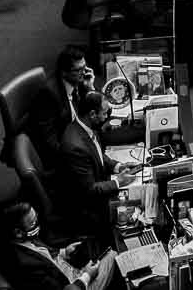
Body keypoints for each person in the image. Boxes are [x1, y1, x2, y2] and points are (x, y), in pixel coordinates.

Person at [54, 90, 140, 247]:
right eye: (105, 113)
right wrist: (118, 183)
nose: (107, 117)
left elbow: (98, 154)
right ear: (93, 114)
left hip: (99, 183)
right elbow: (89, 190)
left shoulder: (86, 126)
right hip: (87, 209)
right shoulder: (75, 147)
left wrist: (118, 166)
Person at [0, 200, 120, 290]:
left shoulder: (22, 240)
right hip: (76, 285)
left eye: (36, 218)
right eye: (32, 222)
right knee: (113, 254)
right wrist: (87, 276)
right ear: (18, 232)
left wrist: (64, 252)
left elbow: (44, 254)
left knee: (97, 245)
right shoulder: (25, 266)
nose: (37, 224)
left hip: (68, 272)